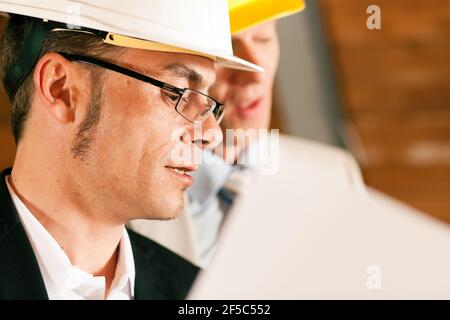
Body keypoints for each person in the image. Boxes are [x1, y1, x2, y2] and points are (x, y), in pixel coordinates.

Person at [0, 0, 261, 299]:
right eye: (177, 92)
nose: (211, 135)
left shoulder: (201, 293)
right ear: (62, 90)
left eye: (208, 104)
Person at [129, 0, 366, 267]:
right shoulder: (124, 189)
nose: (256, 72)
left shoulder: (336, 174)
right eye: (230, 48)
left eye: (264, 39)